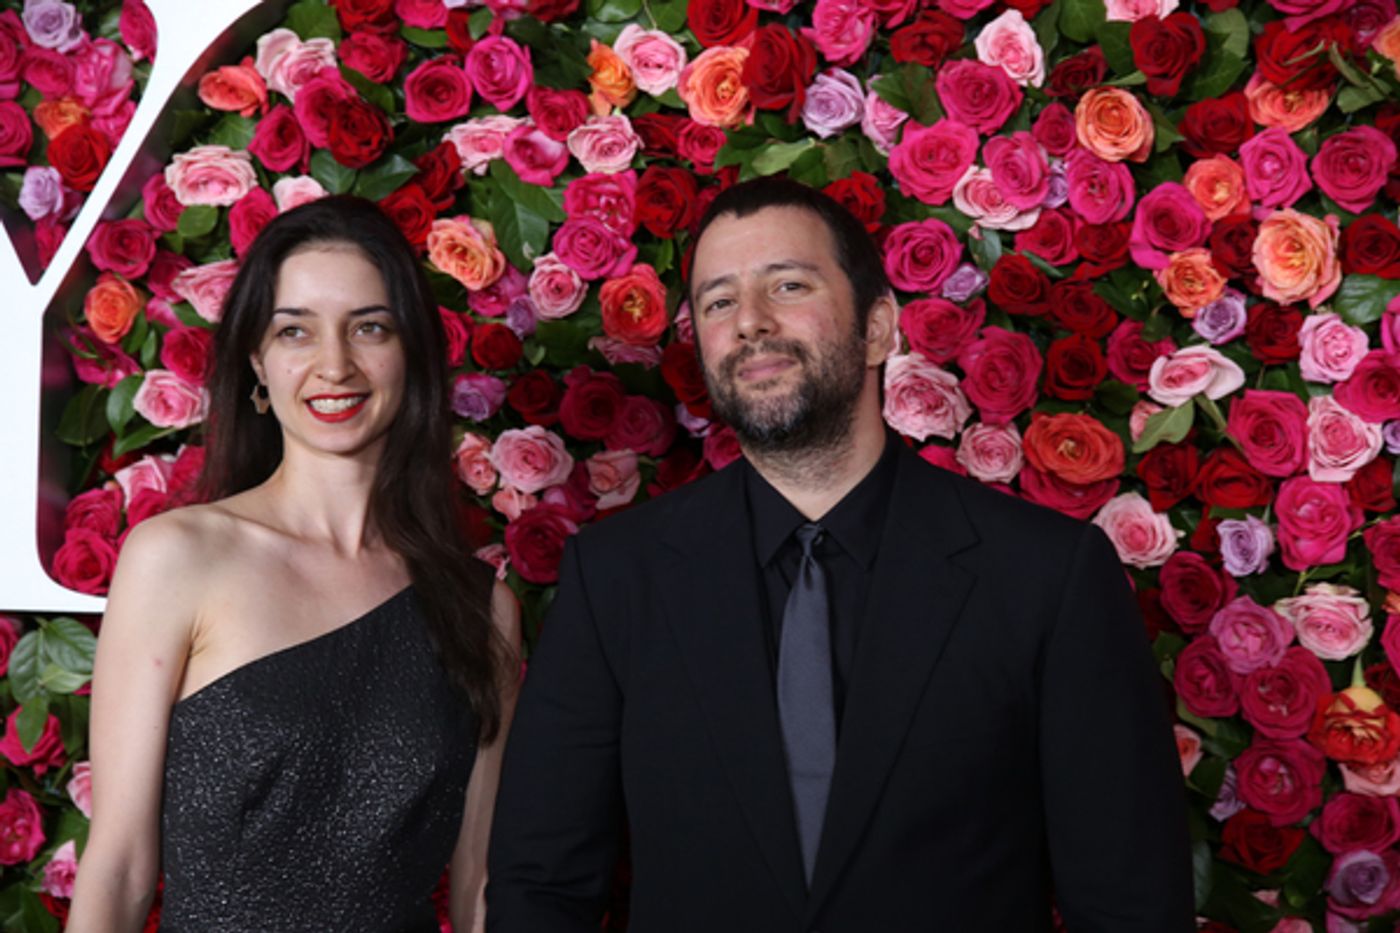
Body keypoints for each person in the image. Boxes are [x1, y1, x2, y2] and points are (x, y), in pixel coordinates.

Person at [486, 179, 1192, 932]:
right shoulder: (615, 575)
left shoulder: (1048, 576)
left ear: (879, 327)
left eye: (788, 285)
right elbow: (542, 884)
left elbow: (1130, 904)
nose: (751, 321)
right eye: (719, 301)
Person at [68, 196, 519, 932]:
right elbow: (117, 867)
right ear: (257, 359)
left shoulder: (481, 606)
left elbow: (481, 886)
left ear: (410, 351)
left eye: (369, 327)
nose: (333, 364)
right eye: (294, 331)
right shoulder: (177, 558)